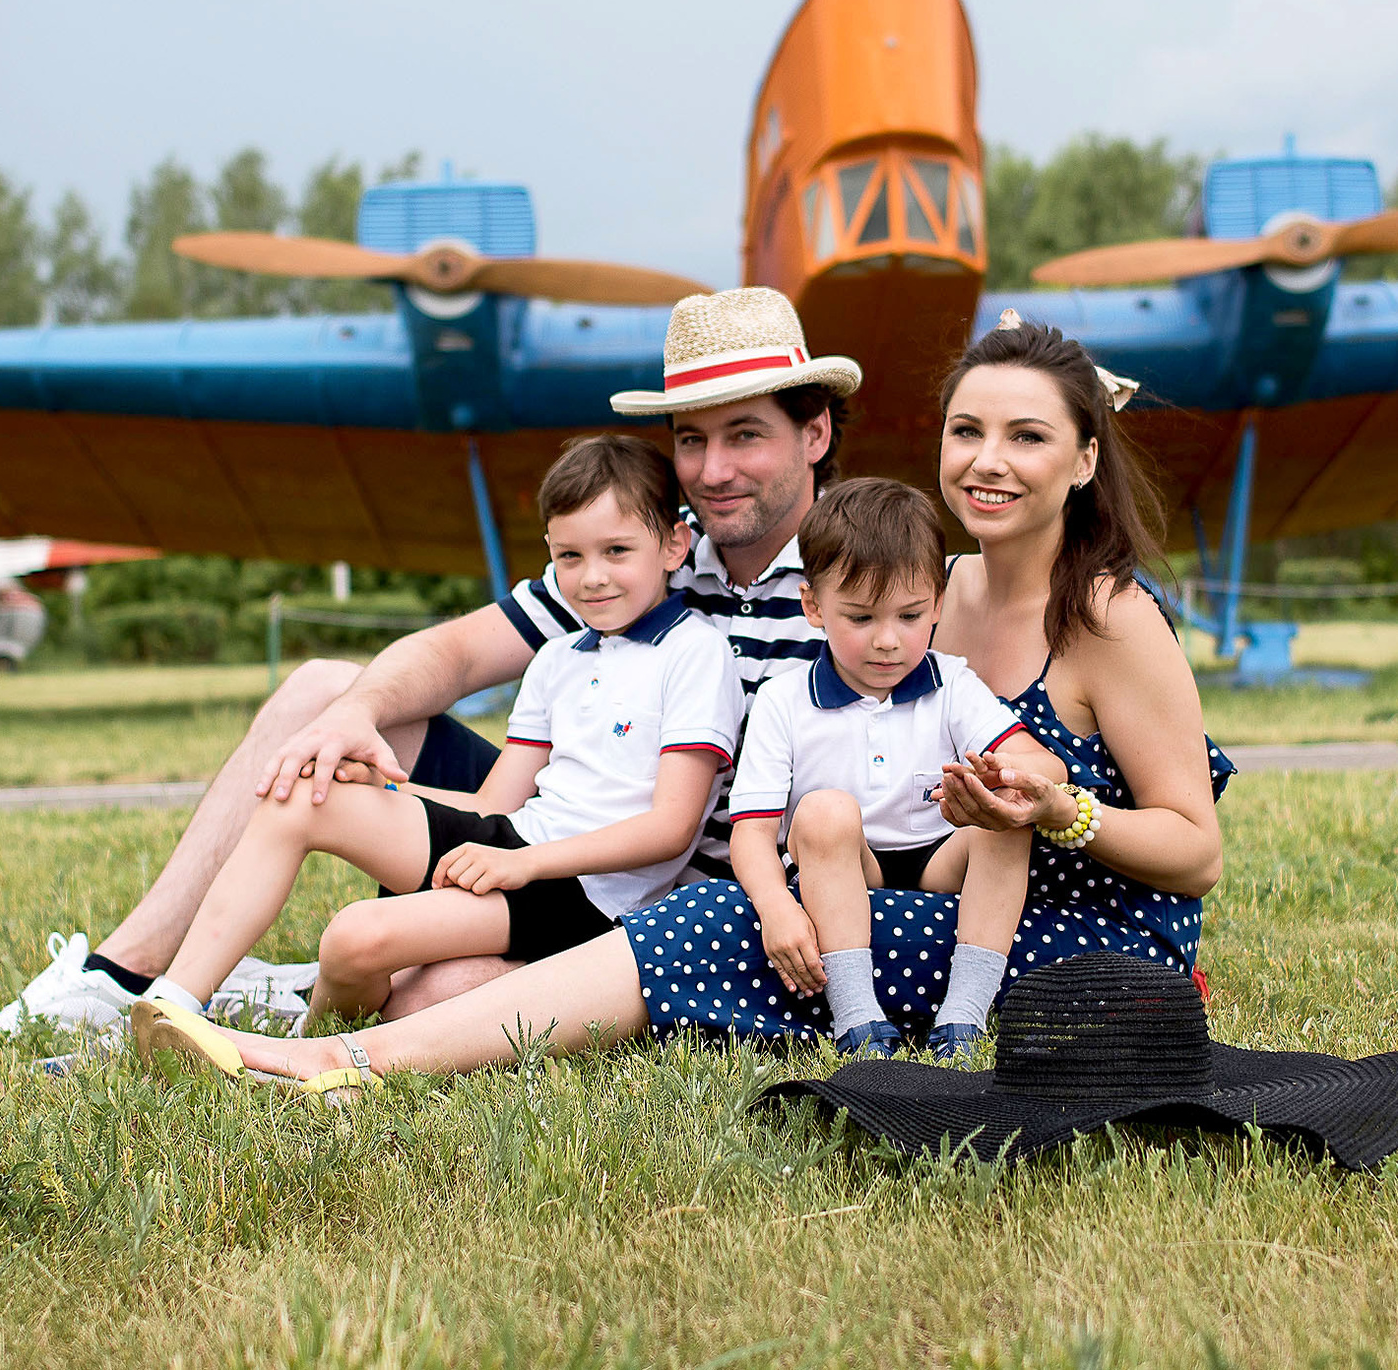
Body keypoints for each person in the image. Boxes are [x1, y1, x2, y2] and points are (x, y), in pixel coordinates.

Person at [132, 311, 1234, 1092]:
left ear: (1086, 456)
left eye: (1027, 436)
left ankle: (336, 1059)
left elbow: (1196, 852)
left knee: (704, 918)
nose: (986, 461)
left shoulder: (1106, 615)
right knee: (339, 701)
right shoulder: (919, 590)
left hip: (1070, 933)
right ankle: (144, 982)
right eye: (966, 431)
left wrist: (1056, 813)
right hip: (865, 876)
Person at [0, 287, 860, 1036]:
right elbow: (463, 650)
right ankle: (126, 974)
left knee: (437, 997)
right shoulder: (638, 554)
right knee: (326, 693)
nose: (711, 469)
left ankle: (289, 989)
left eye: (745, 435)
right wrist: (358, 723)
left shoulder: (859, 586)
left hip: (671, 899)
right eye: (692, 440)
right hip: (553, 827)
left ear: (814, 434)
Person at [133, 435, 743, 1023]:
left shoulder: (696, 653)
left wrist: (528, 866)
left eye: (616, 551)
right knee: (303, 793)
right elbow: (492, 804)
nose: (591, 578)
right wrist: (380, 787)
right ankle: (172, 1005)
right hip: (516, 844)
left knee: (351, 939)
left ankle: (306, 1033)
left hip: (591, 899)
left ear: (672, 545)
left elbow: (671, 828)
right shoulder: (558, 659)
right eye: (569, 556)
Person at [728, 478, 1063, 1063]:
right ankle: (857, 1018)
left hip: (938, 860)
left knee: (1009, 816)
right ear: (814, 606)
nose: (887, 641)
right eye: (859, 617)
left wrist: (996, 779)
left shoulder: (951, 682)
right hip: (847, 865)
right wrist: (777, 907)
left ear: (937, 601)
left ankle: (965, 1015)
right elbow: (752, 832)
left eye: (910, 616)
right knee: (825, 809)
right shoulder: (783, 700)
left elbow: (1044, 763)